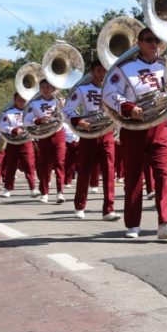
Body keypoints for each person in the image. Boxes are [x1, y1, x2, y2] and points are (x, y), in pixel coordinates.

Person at [102, 27, 167, 240]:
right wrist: (128, 107)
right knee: (134, 177)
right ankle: (133, 225)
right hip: (133, 128)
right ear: (139, 43)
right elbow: (109, 94)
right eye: (149, 40)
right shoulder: (124, 68)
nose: (154, 44)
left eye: (157, 40)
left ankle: (164, 223)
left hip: (159, 127)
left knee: (163, 175)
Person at [62, 59, 120, 221]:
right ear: (92, 72)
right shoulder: (82, 89)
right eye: (99, 70)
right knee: (85, 172)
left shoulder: (114, 90)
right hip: (88, 135)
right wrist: (79, 121)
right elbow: (66, 111)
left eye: (104, 71)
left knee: (109, 172)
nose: (102, 74)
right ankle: (79, 206)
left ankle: (108, 209)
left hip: (107, 134)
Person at [23, 79, 66, 204]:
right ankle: (45, 192)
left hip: (58, 134)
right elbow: (26, 121)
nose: (46, 89)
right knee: (45, 165)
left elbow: (68, 115)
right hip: (44, 135)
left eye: (48, 87)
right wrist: (39, 120)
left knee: (60, 163)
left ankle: (60, 192)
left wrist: (64, 108)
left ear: (53, 89)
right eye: (43, 87)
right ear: (40, 89)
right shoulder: (34, 103)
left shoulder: (59, 101)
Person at [0, 92, 38, 198]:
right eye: (19, 100)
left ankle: (33, 188)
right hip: (13, 142)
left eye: (24, 100)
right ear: (14, 100)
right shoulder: (8, 112)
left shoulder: (31, 111)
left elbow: (35, 123)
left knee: (29, 165)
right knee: (11, 166)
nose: (22, 102)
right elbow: (1, 126)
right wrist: (13, 130)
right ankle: (8, 189)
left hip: (27, 141)